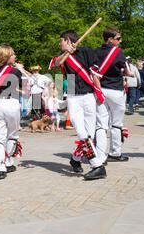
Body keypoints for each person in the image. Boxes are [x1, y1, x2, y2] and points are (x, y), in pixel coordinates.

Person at [50, 30, 106, 180]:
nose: (59, 43)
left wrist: (99, 92)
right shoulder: (61, 56)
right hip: (74, 97)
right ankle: (97, 166)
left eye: (61, 40)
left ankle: (75, 159)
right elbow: (55, 64)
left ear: (68, 40)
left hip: (88, 95)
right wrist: (66, 53)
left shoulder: (86, 51)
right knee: (81, 133)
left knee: (89, 134)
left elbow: (95, 73)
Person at [0, 45, 23, 180]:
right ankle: (8, 162)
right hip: (11, 103)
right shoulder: (16, 72)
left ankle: (0, 168)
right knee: (12, 135)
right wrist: (21, 70)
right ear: (7, 57)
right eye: (12, 55)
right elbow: (24, 88)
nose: (15, 57)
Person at [93, 27, 130, 164]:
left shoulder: (96, 52)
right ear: (110, 39)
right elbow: (126, 71)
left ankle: (100, 155)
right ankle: (115, 152)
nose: (120, 41)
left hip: (100, 89)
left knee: (101, 124)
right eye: (118, 38)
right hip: (115, 90)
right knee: (116, 123)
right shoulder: (118, 52)